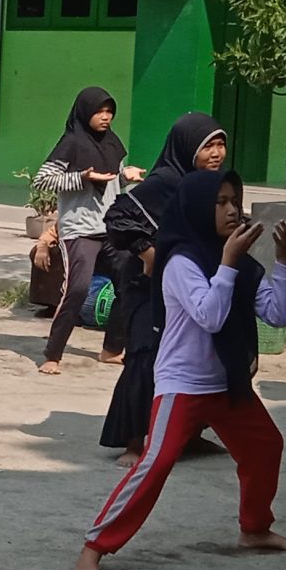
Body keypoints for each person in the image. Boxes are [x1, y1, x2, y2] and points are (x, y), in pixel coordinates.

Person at [75, 169, 286, 570]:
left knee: (266, 446)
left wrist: (285, 261)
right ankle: (94, 548)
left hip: (227, 381)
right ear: (199, 207)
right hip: (183, 383)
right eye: (220, 202)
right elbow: (211, 317)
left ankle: (254, 529)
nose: (232, 210)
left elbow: (276, 314)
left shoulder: (241, 263)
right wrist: (228, 265)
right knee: (156, 462)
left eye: (235, 200)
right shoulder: (180, 261)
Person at [99, 113, 229, 454]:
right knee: (146, 356)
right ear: (187, 149)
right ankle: (133, 442)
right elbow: (117, 216)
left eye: (220, 145)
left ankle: (187, 435)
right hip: (147, 289)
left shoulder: (212, 186)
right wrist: (148, 252)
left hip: (191, 285)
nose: (216, 153)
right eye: (207, 147)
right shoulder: (166, 181)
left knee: (194, 359)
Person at [36, 87, 139, 374]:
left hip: (110, 228)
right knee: (78, 289)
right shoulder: (70, 143)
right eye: (99, 111)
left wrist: (125, 176)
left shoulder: (113, 144)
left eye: (109, 111)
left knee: (128, 284)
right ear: (85, 112)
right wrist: (82, 177)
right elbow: (43, 180)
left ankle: (112, 349)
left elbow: (113, 179)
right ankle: (52, 355)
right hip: (80, 230)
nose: (105, 117)